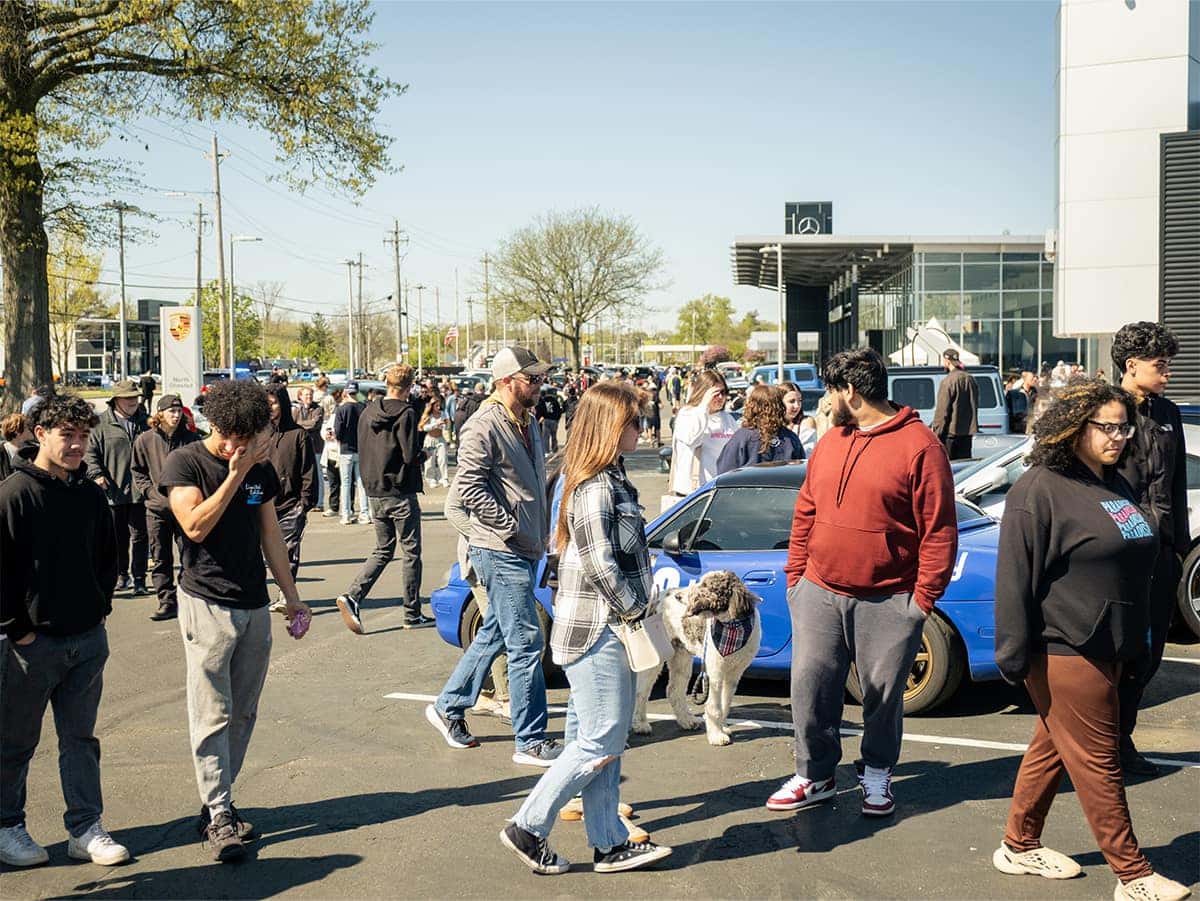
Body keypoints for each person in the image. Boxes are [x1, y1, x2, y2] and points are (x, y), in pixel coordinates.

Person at [991, 379, 1190, 901]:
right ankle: (1133, 874)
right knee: (1100, 762)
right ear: (1074, 426)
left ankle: (1018, 844)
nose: (1119, 437)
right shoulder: (1039, 489)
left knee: (1053, 747)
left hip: (1115, 643)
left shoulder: (1113, 482)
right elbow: (1015, 578)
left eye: (1124, 428)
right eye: (1107, 427)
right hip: (1065, 645)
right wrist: (1013, 656)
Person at [770, 348, 957, 817]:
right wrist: (796, 578)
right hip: (818, 591)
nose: (825, 401)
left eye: (830, 391)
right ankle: (815, 775)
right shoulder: (831, 441)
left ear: (850, 392)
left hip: (889, 598)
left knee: (882, 697)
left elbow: (939, 531)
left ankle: (876, 772)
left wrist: (920, 602)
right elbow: (806, 510)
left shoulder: (921, 447)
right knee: (810, 689)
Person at [499, 382, 672, 875]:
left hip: (602, 628)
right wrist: (636, 611)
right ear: (610, 427)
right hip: (599, 630)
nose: (642, 428)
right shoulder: (597, 485)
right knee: (600, 741)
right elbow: (600, 564)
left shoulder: (608, 478)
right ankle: (528, 827)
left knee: (604, 740)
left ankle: (609, 842)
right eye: (634, 421)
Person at [159, 378, 311, 862]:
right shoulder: (185, 462)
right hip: (206, 601)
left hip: (253, 603)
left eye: (245, 439)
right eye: (228, 437)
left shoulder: (259, 468)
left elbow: (271, 535)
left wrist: (292, 597)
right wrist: (233, 475)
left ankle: (216, 801)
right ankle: (220, 814)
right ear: (214, 425)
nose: (235, 447)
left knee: (243, 712)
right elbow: (194, 526)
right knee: (212, 712)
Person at [0, 395, 130, 869]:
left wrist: (100, 608)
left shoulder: (89, 494)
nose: (77, 445)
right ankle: (7, 826)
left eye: (83, 436)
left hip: (87, 639)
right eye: (67, 435)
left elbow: (108, 557)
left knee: (80, 740)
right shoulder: (14, 493)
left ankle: (85, 828)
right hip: (32, 644)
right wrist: (19, 630)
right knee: (15, 743)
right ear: (40, 435)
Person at [425, 346, 562, 767]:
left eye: (541, 378)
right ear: (505, 381)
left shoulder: (528, 422)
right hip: (498, 549)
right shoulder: (483, 425)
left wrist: (538, 535)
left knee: (497, 634)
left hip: (524, 547)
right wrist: (509, 526)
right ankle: (531, 740)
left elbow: (531, 484)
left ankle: (448, 705)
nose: (539, 385)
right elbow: (467, 489)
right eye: (531, 379)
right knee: (526, 641)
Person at [1112, 322, 1189, 776]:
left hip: (1160, 555)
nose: (1167, 374)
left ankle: (1122, 738)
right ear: (1131, 365)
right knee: (1114, 655)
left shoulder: (1169, 413)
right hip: (1116, 555)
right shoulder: (1104, 410)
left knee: (1149, 655)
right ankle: (1105, 745)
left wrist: (1178, 549)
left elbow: (1175, 484)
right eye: (1161, 365)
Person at [335, 363, 430, 632]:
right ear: (409, 386)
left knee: (384, 549)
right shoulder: (406, 413)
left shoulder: (368, 411)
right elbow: (410, 455)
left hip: (375, 489)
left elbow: (363, 447)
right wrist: (424, 454)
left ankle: (354, 595)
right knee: (411, 552)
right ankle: (412, 613)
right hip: (400, 490)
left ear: (387, 383)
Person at [131, 394, 201, 621]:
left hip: (186, 509)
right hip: (157, 509)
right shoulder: (145, 440)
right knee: (160, 557)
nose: (176, 415)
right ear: (159, 413)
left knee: (190, 555)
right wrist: (150, 493)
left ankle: (188, 598)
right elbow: (138, 472)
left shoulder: (192, 440)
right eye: (171, 411)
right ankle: (166, 601)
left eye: (179, 411)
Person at [85, 379, 150, 595]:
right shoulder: (100, 424)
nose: (133, 402)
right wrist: (96, 474)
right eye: (128, 398)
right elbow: (89, 453)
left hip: (141, 490)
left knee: (141, 537)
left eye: (135, 398)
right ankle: (122, 575)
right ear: (116, 400)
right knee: (118, 538)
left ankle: (140, 578)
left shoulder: (146, 422)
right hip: (113, 491)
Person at [264, 385, 318, 611]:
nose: (270, 408)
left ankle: (286, 596)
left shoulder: (299, 435)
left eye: (274, 403)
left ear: (283, 404)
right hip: (262, 505)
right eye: (266, 404)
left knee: (288, 552)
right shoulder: (259, 434)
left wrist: (304, 504)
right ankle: (261, 598)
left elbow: (308, 472)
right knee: (259, 555)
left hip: (290, 505)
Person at [668, 370, 736, 498]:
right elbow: (692, 439)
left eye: (723, 392)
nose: (720, 397)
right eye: (715, 393)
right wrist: (704, 406)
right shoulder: (687, 414)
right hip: (692, 492)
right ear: (703, 393)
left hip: (719, 489)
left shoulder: (728, 419)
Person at [716, 384, 804, 474]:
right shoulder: (790, 438)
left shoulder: (742, 437)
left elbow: (725, 474)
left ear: (752, 407)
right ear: (781, 407)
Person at [333, 381, 370, 525]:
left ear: (346, 392)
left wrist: (339, 439)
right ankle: (365, 514)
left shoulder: (341, 409)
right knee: (361, 483)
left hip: (346, 449)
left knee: (346, 484)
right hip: (361, 449)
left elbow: (338, 431)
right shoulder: (364, 408)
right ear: (357, 392)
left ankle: (346, 514)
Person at [931, 348, 978, 461]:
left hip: (950, 435)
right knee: (964, 467)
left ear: (947, 362)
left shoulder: (948, 381)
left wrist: (936, 434)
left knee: (949, 467)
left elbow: (942, 411)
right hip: (967, 434)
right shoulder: (971, 379)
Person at [292, 385, 325, 508]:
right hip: (300, 447)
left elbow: (314, 424)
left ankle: (319, 502)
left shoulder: (318, 409)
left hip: (315, 447)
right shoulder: (296, 410)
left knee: (318, 475)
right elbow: (292, 425)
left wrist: (299, 425)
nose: (309, 397)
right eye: (306, 395)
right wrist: (303, 425)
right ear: (300, 396)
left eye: (310, 394)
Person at [420, 392, 450, 488]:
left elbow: (446, 427)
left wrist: (445, 424)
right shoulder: (428, 415)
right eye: (436, 405)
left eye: (439, 405)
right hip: (430, 439)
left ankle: (444, 478)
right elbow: (423, 428)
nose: (438, 407)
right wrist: (436, 424)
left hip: (440, 439)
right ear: (432, 406)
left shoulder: (443, 414)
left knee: (443, 459)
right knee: (430, 460)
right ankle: (431, 478)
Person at [0, 412, 35, 482]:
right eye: (26, 427)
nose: (29, 429)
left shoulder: (33, 449)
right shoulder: (2, 452)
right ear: (17, 432)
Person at [536, 384, 564, 453]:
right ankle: (554, 449)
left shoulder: (543, 400)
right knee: (554, 436)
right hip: (554, 420)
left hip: (546, 420)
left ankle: (546, 451)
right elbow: (559, 410)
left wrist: (541, 417)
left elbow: (540, 409)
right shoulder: (555, 400)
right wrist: (557, 419)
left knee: (546, 437)